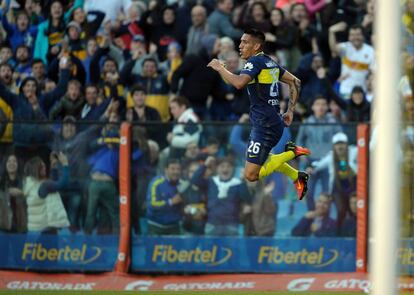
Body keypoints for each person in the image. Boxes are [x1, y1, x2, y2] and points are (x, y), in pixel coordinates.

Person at [207, 28, 311, 200]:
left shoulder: (254, 63)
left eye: (245, 42)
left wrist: (219, 68)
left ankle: (291, 153)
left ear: (256, 46)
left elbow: (239, 84)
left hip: (265, 126)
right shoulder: (268, 62)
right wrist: (290, 110)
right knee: (266, 159)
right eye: (240, 41)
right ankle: (296, 176)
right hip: (269, 122)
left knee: (251, 175)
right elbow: (295, 82)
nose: (240, 46)